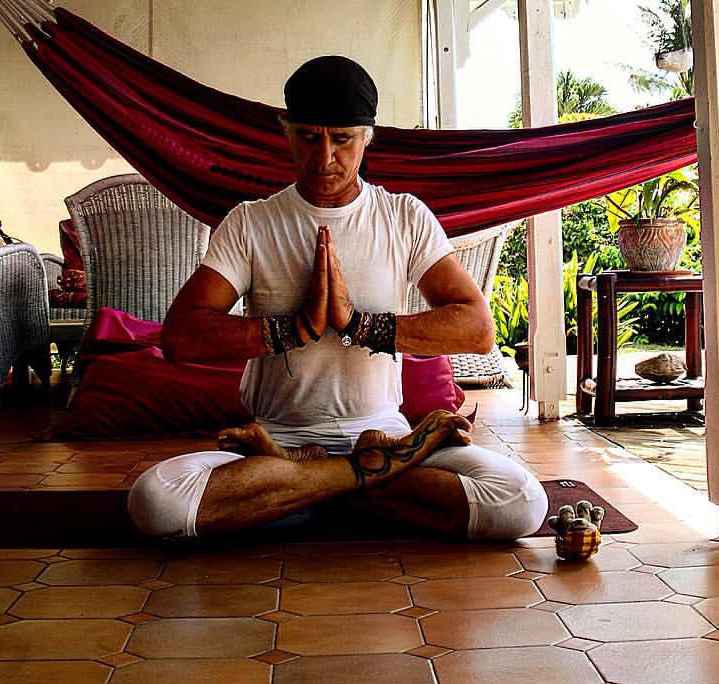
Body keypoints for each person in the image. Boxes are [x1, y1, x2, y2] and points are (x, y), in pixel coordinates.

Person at [127, 55, 547, 542]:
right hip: (281, 433)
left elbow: (476, 329)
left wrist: (362, 325)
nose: (325, 157)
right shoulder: (251, 223)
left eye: (342, 139)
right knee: (155, 501)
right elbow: (182, 336)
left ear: (368, 136)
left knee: (520, 502)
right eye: (308, 136)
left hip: (378, 430)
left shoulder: (403, 217)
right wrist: (289, 329)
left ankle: (297, 485)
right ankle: (365, 478)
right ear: (285, 131)